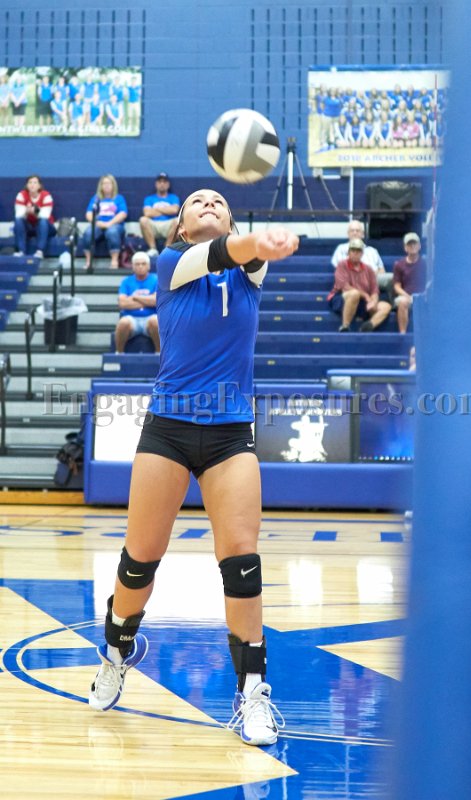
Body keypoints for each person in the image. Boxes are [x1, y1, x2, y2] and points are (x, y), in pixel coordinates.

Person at [88, 188, 299, 747]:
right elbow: (225, 251)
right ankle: (116, 651)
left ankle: (252, 692)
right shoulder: (171, 263)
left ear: (230, 220)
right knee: (139, 561)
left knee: (242, 562)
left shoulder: (250, 270)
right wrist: (257, 239)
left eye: (219, 201)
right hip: (168, 429)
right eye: (197, 201)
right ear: (180, 225)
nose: (208, 203)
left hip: (231, 433)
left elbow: (245, 253)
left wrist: (266, 242)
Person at [328, 238, 391, 332]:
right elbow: (344, 286)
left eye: (358, 251)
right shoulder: (342, 265)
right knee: (354, 293)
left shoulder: (368, 269)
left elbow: (374, 289)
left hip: (362, 302)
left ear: (362, 254)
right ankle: (345, 326)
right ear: (348, 252)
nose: (355, 253)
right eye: (353, 250)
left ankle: (368, 326)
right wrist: (366, 296)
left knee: (386, 306)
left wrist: (373, 301)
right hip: (342, 298)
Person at [331, 219, 392, 295]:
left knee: (392, 278)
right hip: (353, 280)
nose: (355, 233)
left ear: (363, 234)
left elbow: (382, 270)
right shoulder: (341, 249)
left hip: (373, 279)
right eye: (352, 231)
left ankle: (396, 301)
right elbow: (340, 271)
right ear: (348, 234)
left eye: (357, 231)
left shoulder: (372, 250)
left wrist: (371, 276)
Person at [114, 251, 159, 353]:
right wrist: (148, 300)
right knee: (123, 322)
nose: (140, 266)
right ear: (133, 267)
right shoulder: (126, 281)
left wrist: (134, 297)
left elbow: (156, 301)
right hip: (131, 319)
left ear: (148, 266)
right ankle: (119, 353)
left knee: (156, 321)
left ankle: (159, 354)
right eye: (137, 264)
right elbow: (122, 303)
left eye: (143, 264)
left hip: (151, 316)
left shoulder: (156, 280)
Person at [81, 174, 128, 269]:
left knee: (112, 232)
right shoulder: (96, 198)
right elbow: (89, 214)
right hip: (98, 224)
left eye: (109, 183)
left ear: (113, 185)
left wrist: (109, 223)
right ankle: (88, 261)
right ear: (101, 186)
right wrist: (96, 223)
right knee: (88, 233)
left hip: (114, 224)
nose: (106, 185)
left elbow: (123, 214)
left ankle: (114, 261)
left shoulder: (119, 198)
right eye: (104, 183)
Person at [139, 173, 181, 258]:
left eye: (164, 182)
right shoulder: (149, 198)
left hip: (168, 224)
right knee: (143, 220)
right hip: (153, 224)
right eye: (160, 182)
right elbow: (147, 213)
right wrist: (167, 210)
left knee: (177, 221)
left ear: (168, 184)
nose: (162, 184)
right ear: (156, 184)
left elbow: (174, 211)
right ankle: (153, 249)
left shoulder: (173, 197)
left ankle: (166, 249)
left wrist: (155, 210)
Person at [14, 175, 56, 258]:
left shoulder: (46, 196)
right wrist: (26, 211)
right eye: (30, 182)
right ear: (26, 185)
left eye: (35, 183)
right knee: (18, 221)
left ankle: (39, 251)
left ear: (39, 185)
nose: (32, 185)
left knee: (43, 222)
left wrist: (35, 212)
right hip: (29, 227)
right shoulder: (21, 195)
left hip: (46, 227)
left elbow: (45, 215)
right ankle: (21, 251)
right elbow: (18, 214)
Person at [393, 232, 427, 333]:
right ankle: (402, 334)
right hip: (406, 296)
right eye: (409, 244)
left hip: (423, 296)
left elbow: (430, 282)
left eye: (414, 243)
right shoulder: (399, 265)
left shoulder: (425, 263)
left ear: (419, 246)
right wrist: (407, 296)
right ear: (405, 248)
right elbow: (397, 286)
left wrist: (424, 295)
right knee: (403, 302)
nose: (412, 246)